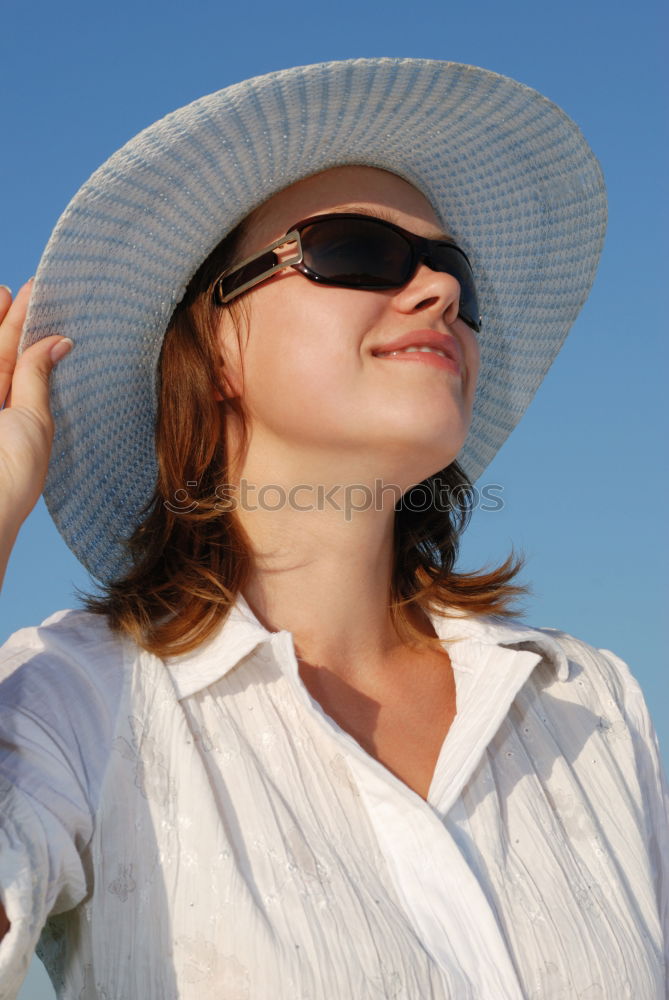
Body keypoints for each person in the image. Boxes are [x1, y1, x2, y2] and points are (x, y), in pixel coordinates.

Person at [0, 57, 666, 999]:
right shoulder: (72, 705)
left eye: (456, 276)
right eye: (358, 252)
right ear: (214, 344)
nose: (436, 291)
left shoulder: (591, 705)